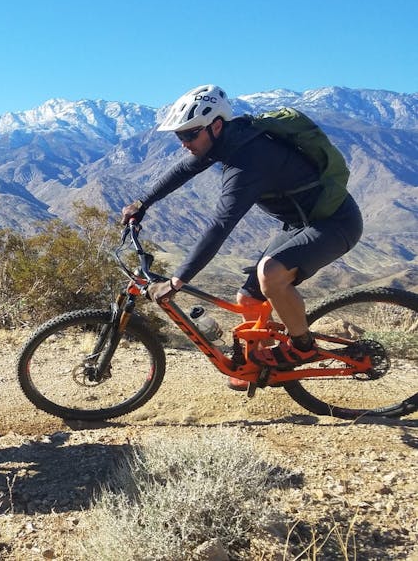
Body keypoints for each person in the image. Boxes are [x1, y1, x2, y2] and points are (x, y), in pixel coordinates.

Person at [120, 84, 363, 388]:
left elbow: (221, 224)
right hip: (301, 223)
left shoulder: (248, 159)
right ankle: (257, 369)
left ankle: (302, 347)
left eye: (189, 134)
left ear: (216, 125)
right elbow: (184, 170)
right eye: (179, 135)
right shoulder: (227, 140)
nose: (184, 143)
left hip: (335, 222)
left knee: (271, 275)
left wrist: (177, 281)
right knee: (248, 298)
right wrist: (142, 204)